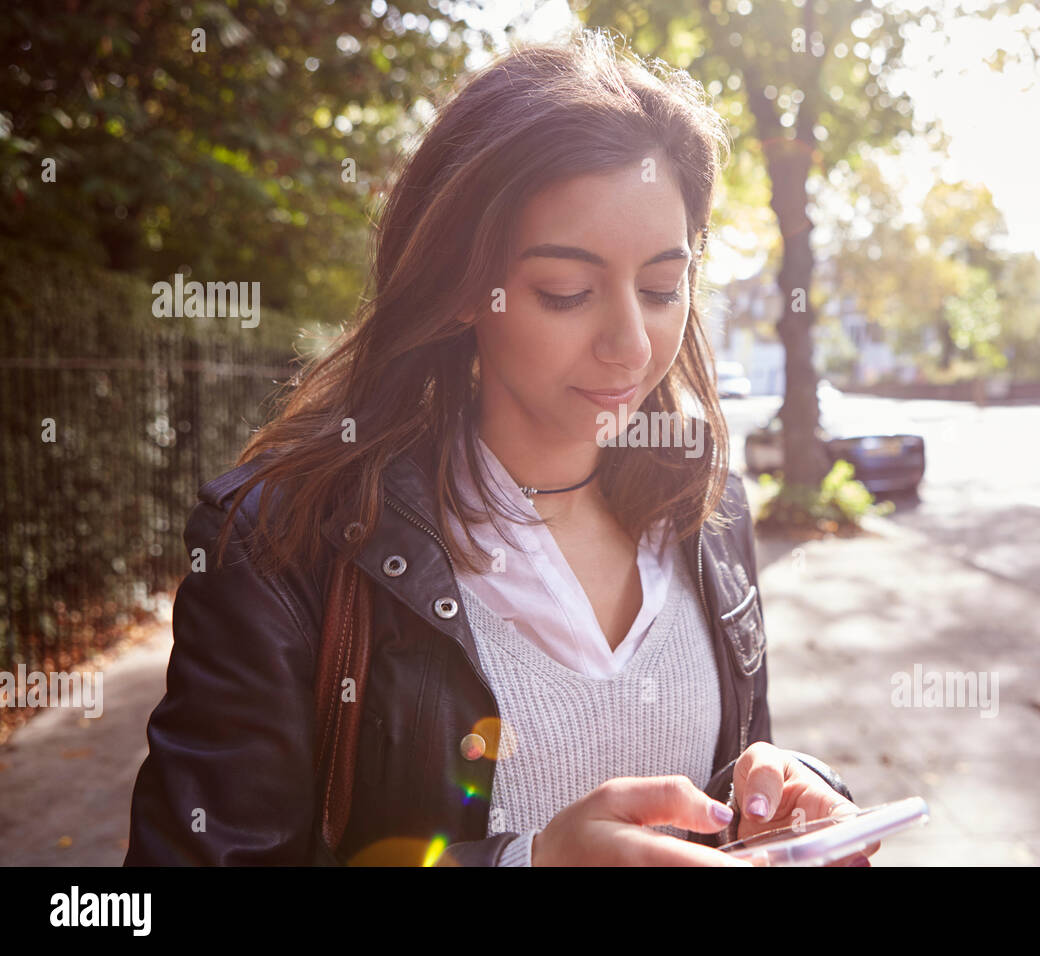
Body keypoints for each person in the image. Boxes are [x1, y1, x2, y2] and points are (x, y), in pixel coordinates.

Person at [124, 27, 875, 867]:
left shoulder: (707, 506)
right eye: (566, 291)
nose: (630, 343)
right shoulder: (280, 545)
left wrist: (786, 801)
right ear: (458, 290)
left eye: (664, 286)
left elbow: (726, 776)